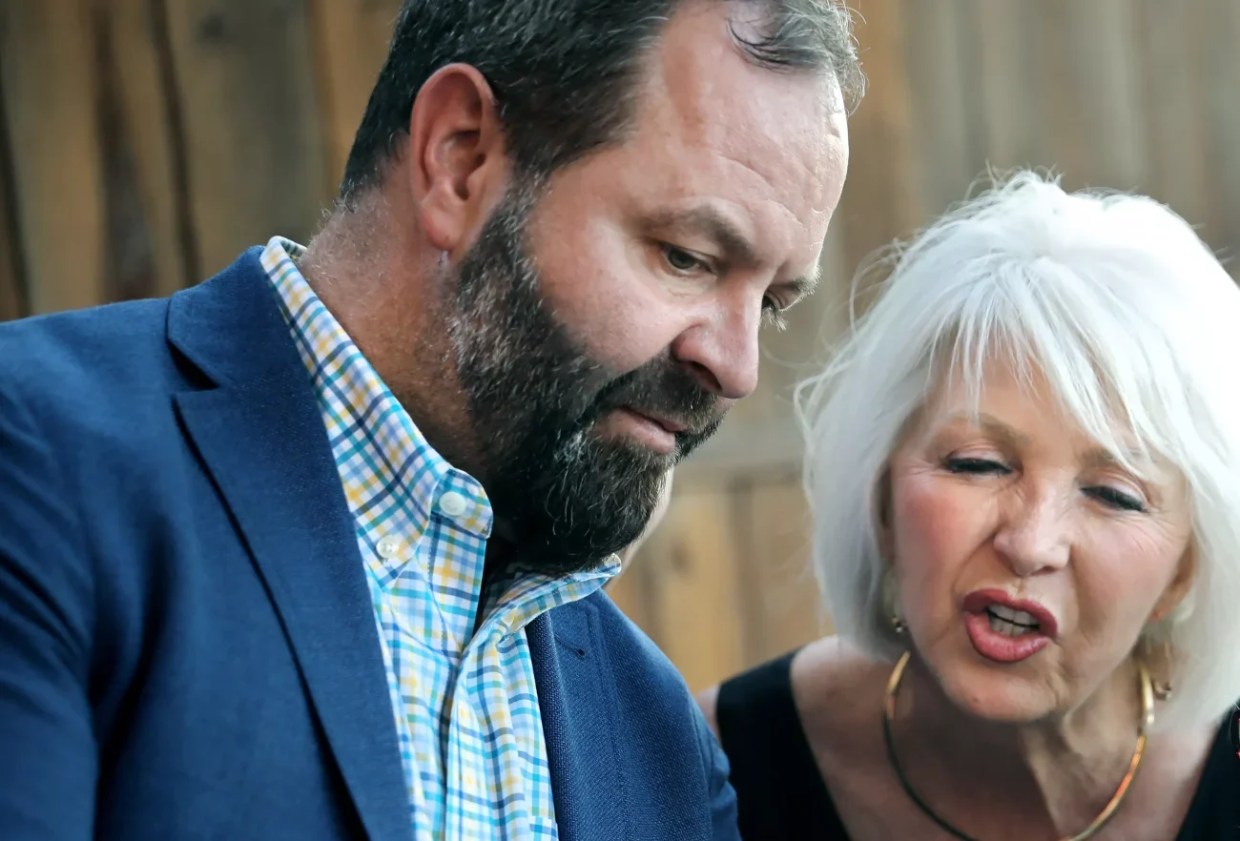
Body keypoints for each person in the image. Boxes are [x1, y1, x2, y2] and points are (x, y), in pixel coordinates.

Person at [0, 1, 859, 839]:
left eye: (775, 303)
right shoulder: (42, 458)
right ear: (460, 159)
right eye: (687, 256)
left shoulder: (660, 745)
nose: (738, 366)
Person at [699, 171, 1240, 840]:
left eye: (1113, 494)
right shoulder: (712, 765)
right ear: (883, 495)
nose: (1031, 542)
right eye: (978, 463)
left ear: (1185, 569)